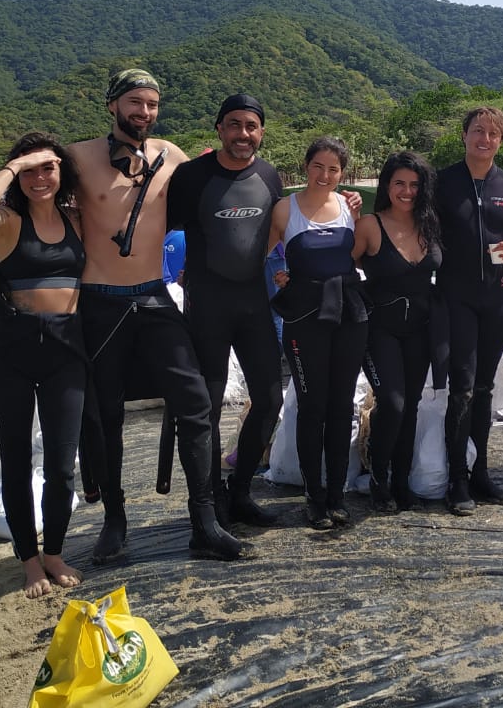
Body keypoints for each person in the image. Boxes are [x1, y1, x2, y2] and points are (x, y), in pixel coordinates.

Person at [66, 67, 242, 564]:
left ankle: (204, 520)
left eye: (151, 104)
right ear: (113, 105)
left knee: (195, 405)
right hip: (99, 301)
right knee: (105, 418)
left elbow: (229, 187)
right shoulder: (78, 158)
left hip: (153, 295)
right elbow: (32, 200)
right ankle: (115, 521)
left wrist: (338, 199)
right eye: (134, 103)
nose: (144, 112)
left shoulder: (171, 156)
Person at [0, 133, 86, 599]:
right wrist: (16, 165)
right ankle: (28, 560)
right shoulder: (8, 223)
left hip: (66, 355)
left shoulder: (76, 218)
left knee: (61, 467)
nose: (40, 177)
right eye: (30, 171)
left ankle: (53, 552)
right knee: (15, 464)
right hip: (12, 358)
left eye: (48, 168)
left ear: (62, 173)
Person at [167, 93, 286, 527]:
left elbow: (281, 226)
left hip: (254, 304)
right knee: (208, 409)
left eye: (251, 126)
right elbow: (153, 227)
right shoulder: (191, 177)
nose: (243, 134)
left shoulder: (270, 176)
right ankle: (210, 497)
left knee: (270, 399)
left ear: (261, 132)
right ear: (219, 129)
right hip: (208, 307)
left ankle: (240, 493)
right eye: (234, 125)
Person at [434, 106, 503, 515]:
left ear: (501, 141)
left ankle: (480, 474)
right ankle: (456, 476)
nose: (485, 139)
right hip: (454, 298)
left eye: (493, 134)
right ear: (464, 136)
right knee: (461, 385)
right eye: (478, 131)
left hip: (496, 299)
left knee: (485, 388)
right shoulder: (441, 182)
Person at [267, 137, 369, 529]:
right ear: (306, 166)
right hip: (304, 319)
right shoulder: (284, 209)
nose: (325, 175)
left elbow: (360, 255)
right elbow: (259, 252)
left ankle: (337, 494)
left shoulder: (349, 206)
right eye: (318, 166)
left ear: (342, 173)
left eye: (333, 169)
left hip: (347, 316)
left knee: (341, 406)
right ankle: (313, 496)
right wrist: (278, 278)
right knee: (311, 406)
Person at [355, 151, 441, 512]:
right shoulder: (370, 225)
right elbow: (338, 266)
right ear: (387, 186)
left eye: (414, 184)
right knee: (392, 402)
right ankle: (379, 478)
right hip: (380, 329)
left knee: (411, 406)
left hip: (421, 329)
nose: (407, 191)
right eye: (399, 183)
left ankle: (402, 482)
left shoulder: (431, 224)